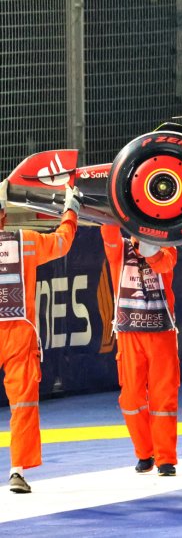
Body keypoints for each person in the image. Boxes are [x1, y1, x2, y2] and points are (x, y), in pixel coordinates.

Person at [0, 179, 80, 493]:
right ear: (3, 214)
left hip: (19, 331)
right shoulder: (26, 242)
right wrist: (71, 209)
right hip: (19, 332)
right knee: (23, 404)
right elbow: (62, 243)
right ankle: (17, 470)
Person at [101, 225, 180, 477]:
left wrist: (148, 245)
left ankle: (165, 459)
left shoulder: (168, 246)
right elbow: (108, 231)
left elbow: (162, 265)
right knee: (131, 398)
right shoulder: (119, 249)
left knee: (163, 399)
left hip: (162, 332)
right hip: (129, 333)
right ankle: (145, 453)